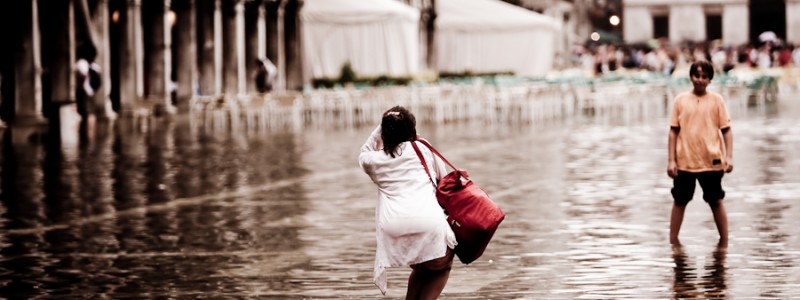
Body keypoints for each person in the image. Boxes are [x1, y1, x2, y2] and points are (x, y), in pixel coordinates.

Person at [358, 106, 457, 299]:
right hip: (429, 226)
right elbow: (445, 183)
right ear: (412, 130)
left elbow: (364, 152)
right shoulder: (423, 148)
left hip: (394, 232)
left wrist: (383, 127)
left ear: (383, 132)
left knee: (422, 269)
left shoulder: (374, 160)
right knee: (441, 266)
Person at [667, 61, 733, 247]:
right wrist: (671, 160)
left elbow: (726, 130)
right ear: (691, 77)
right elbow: (673, 131)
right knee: (679, 200)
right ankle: (673, 242)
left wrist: (729, 156)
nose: (700, 80)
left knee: (716, 200)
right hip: (684, 160)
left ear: (710, 80)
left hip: (711, 159)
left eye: (704, 77)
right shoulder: (680, 100)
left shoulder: (717, 100)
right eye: (697, 76)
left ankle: (724, 242)